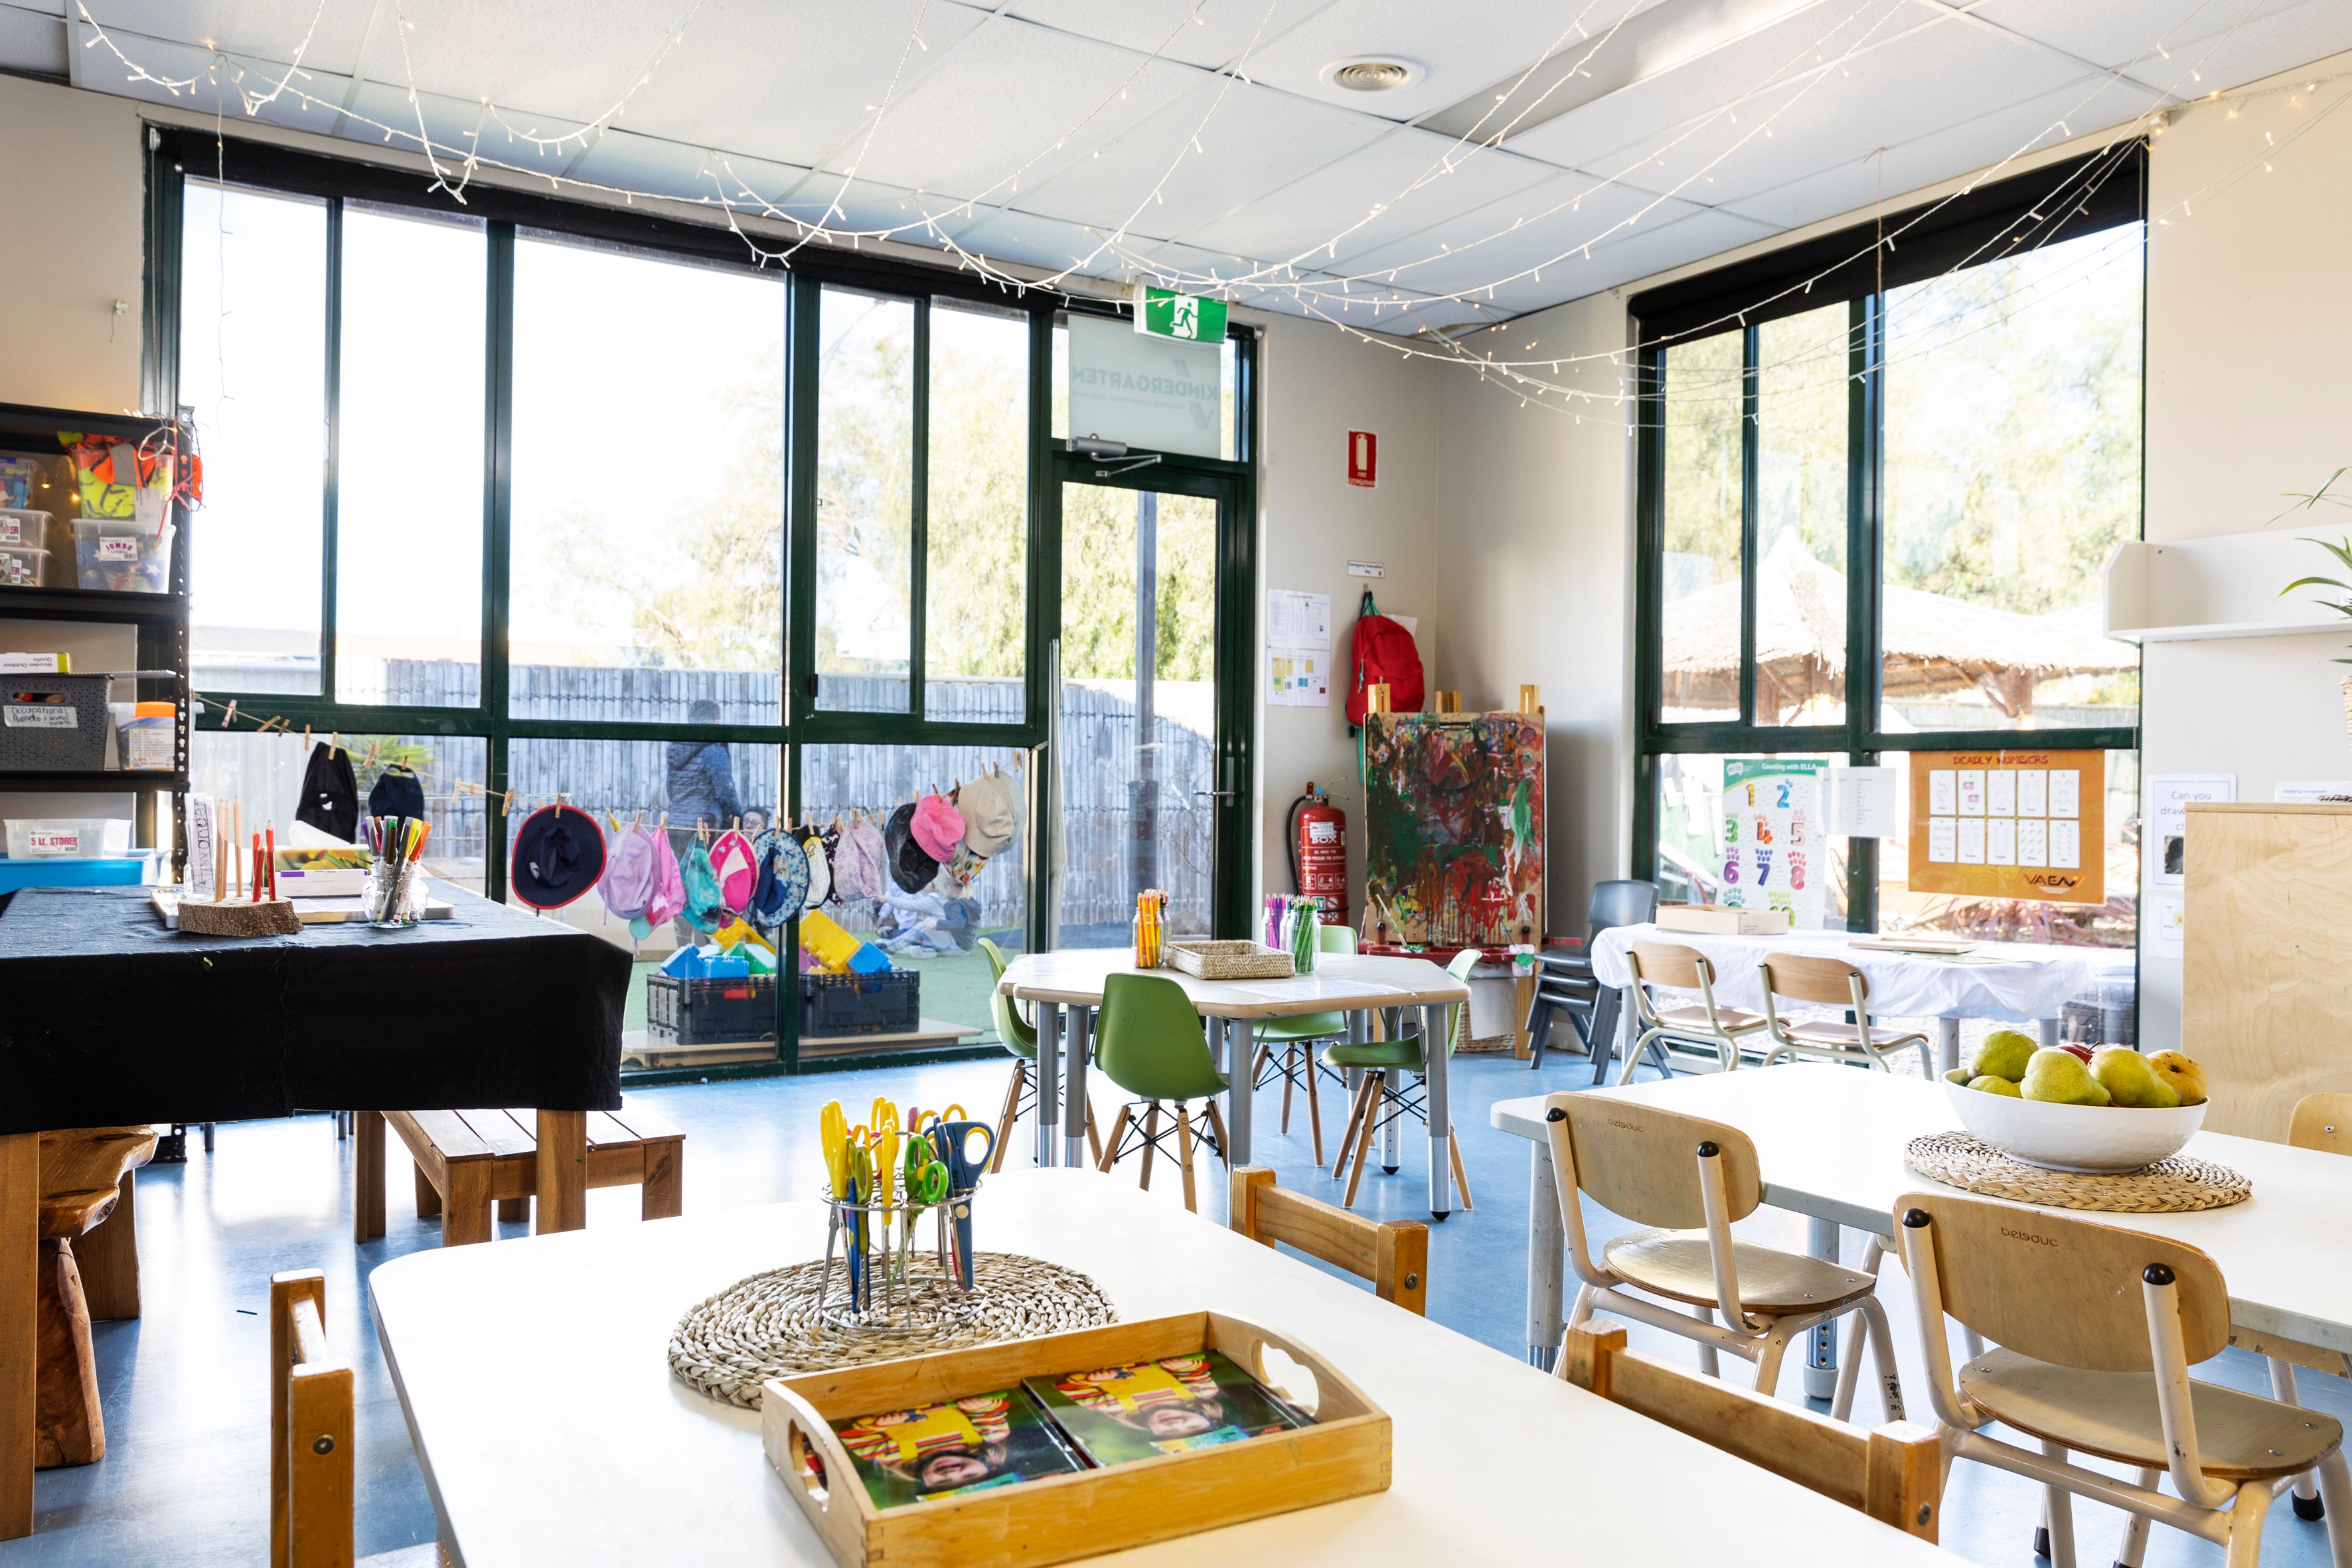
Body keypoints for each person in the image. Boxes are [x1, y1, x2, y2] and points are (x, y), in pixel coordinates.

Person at [666, 699, 744, 833]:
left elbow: (670, 789)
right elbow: (725, 792)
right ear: (715, 721)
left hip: (675, 825)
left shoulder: (677, 748)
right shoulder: (713, 750)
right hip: (703, 827)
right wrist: (738, 821)